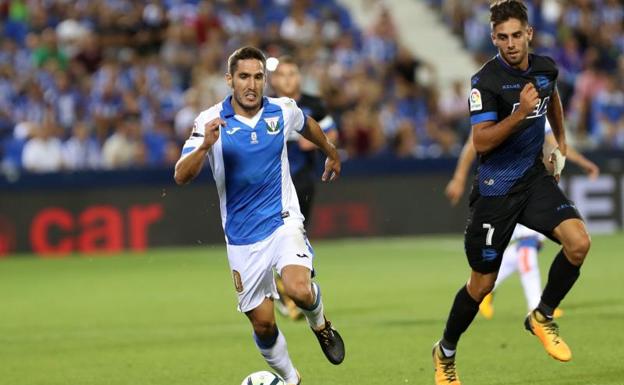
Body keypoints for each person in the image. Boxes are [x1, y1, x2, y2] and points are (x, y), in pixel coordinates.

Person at [432, 2, 592, 384]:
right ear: (493, 39)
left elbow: (551, 96)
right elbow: (481, 142)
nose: (510, 44)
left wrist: (562, 142)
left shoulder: (545, 68)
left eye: (516, 35)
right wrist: (519, 114)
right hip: (495, 191)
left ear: (529, 34)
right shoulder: (484, 82)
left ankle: (542, 315)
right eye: (502, 38)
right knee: (481, 284)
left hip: (534, 180)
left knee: (579, 243)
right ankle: (445, 352)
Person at [174, 46, 345, 385]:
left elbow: (306, 123)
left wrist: (330, 151)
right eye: (243, 77)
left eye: (257, 77)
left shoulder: (281, 111)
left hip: (282, 220)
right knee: (263, 324)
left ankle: (321, 324)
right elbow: (181, 175)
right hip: (241, 237)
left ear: (264, 79)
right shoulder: (210, 121)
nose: (251, 84)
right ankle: (289, 377)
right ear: (230, 80)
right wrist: (206, 145)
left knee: (298, 289)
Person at [445, 125, 600, 320]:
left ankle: (489, 292)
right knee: (527, 245)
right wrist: (459, 178)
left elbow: (556, 144)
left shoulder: (536, 107)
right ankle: (535, 304)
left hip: (532, 188)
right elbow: (472, 144)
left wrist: (582, 163)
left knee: (527, 245)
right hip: (504, 192)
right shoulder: (500, 106)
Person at [269, 55, 338, 321]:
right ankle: (290, 288)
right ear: (274, 80)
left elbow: (332, 132)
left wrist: (320, 139)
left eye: (292, 73)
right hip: (273, 182)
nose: (288, 79)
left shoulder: (313, 105)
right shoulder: (267, 106)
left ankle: (286, 288)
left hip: (304, 179)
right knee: (280, 233)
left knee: (296, 232)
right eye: (282, 74)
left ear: (299, 77)